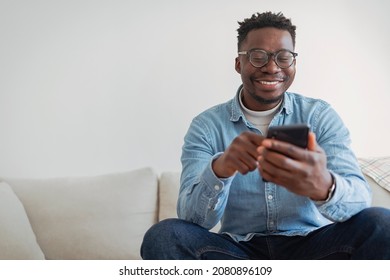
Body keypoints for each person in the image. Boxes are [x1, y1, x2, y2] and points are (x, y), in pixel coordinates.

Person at [141, 11, 390, 259]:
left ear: (293, 63)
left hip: (312, 247)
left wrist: (324, 186)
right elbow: (191, 220)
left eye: (284, 57)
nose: (272, 68)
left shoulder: (319, 116)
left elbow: (360, 202)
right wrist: (220, 168)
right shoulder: (206, 126)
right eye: (258, 56)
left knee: (382, 223)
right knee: (164, 236)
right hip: (237, 253)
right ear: (239, 63)